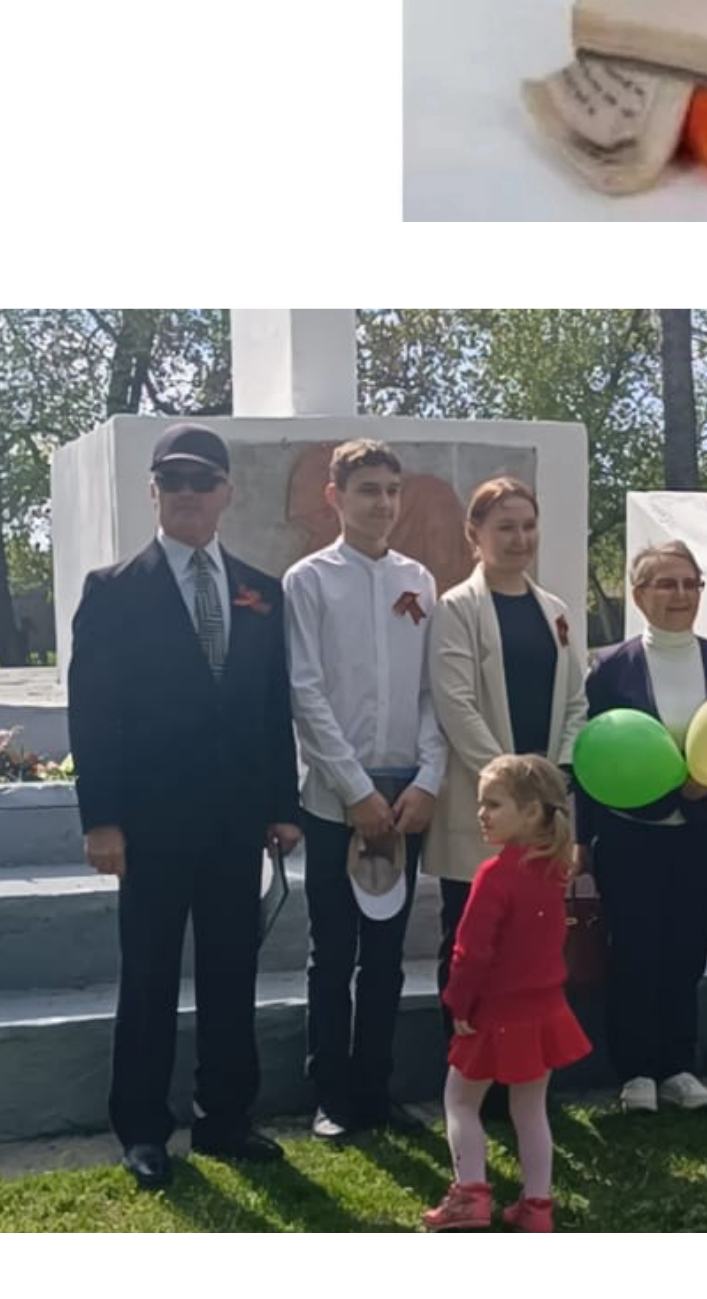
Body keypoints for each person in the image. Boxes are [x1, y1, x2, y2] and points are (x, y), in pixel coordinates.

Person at [67, 420, 300, 1186]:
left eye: (204, 482)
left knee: (233, 974)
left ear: (227, 493)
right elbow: (93, 712)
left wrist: (281, 805)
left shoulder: (261, 592)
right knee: (150, 978)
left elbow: (271, 707)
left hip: (236, 826)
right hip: (150, 826)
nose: (189, 494)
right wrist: (100, 818)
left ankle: (226, 1121)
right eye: (175, 482)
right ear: (154, 492)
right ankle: (142, 1129)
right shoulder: (112, 591)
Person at [283, 439, 446, 1139]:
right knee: (334, 951)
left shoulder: (421, 580)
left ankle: (376, 1088)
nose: (381, 503)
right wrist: (353, 789)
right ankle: (332, 1092)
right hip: (335, 799)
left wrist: (430, 778)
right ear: (336, 497)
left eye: (390, 490)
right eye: (367, 489)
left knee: (385, 953)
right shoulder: (309, 581)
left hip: (403, 796)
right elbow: (305, 690)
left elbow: (433, 692)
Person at [578, 538, 707, 1110]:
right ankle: (634, 1073)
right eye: (665, 583)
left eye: (689, 584)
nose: (679, 595)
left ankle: (678, 1064)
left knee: (685, 947)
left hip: (698, 828)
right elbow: (592, 756)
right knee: (631, 948)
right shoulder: (608, 668)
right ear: (639, 593)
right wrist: (581, 840)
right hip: (628, 832)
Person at [422, 753, 588, 1232]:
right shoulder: (554, 871)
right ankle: (537, 1207)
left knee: (459, 1102)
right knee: (530, 1109)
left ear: (533, 812)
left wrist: (459, 1002)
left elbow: (470, 951)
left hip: (493, 1012)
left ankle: (469, 1196)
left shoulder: (494, 875)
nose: (482, 814)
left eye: (493, 804)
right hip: (543, 1009)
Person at [429, 474, 586, 958]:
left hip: (542, 808)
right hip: (489, 802)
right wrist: (511, 786)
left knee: (532, 947)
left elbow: (577, 698)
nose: (520, 539)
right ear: (474, 534)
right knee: (470, 942)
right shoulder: (456, 609)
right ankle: (464, 1034)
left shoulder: (554, 610)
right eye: (505, 528)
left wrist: (556, 775)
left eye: (528, 526)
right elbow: (455, 703)